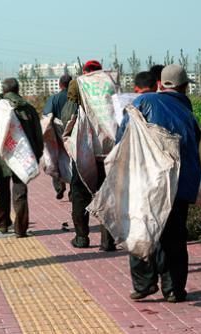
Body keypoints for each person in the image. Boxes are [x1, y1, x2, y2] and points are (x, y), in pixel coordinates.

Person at [117, 64, 201, 303]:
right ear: (184, 87)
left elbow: (123, 136)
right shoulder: (187, 111)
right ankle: (173, 289)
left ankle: (144, 284)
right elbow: (196, 141)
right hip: (179, 182)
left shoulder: (144, 103)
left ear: (159, 84)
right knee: (174, 236)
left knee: (141, 229)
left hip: (147, 180)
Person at [68, 60, 116, 251]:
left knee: (79, 193)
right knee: (107, 194)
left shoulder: (78, 84)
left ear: (85, 71)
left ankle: (82, 238)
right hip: (109, 147)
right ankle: (108, 241)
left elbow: (68, 114)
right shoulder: (111, 84)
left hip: (84, 147)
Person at [0, 78, 43, 237]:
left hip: (3, 156)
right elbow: (38, 134)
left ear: (4, 89)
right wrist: (37, 153)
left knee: (3, 190)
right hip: (23, 156)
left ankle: (3, 223)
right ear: (18, 89)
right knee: (20, 190)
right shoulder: (28, 108)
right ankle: (20, 229)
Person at [43, 74, 72, 199]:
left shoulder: (54, 99)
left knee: (56, 159)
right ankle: (73, 191)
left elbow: (47, 114)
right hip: (73, 135)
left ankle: (59, 186)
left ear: (60, 85)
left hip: (58, 135)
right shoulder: (76, 98)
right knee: (74, 161)